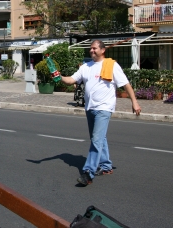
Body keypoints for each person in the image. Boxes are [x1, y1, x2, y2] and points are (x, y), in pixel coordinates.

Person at [60, 40, 141, 186]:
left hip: (104, 108)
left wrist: (134, 102)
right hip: (90, 108)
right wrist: (59, 77)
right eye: (90, 48)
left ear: (102, 50)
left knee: (96, 140)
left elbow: (126, 84)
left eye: (94, 48)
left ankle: (88, 173)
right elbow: (71, 79)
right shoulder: (86, 67)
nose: (91, 50)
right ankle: (106, 166)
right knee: (98, 138)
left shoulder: (111, 66)